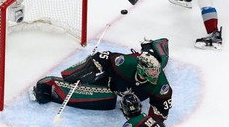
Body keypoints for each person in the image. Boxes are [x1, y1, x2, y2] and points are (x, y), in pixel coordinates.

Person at [29, 38, 172, 126]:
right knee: (106, 100)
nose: (156, 74)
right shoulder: (125, 63)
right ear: (141, 69)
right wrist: (81, 70)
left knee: (162, 60)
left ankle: (151, 46)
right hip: (113, 83)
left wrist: (151, 122)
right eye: (152, 71)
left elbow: (160, 111)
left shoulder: (162, 85)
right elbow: (101, 57)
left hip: (135, 93)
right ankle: (49, 85)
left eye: (156, 71)